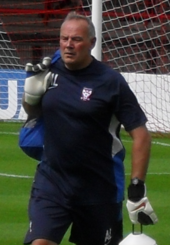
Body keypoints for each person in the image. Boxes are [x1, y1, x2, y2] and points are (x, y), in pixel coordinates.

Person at [22, 12, 158, 245]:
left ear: (92, 43)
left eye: (76, 39)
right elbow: (33, 113)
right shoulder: (49, 70)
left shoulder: (111, 82)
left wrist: (137, 187)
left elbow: (141, 136)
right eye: (64, 39)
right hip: (52, 183)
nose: (68, 45)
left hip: (99, 190)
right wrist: (30, 96)